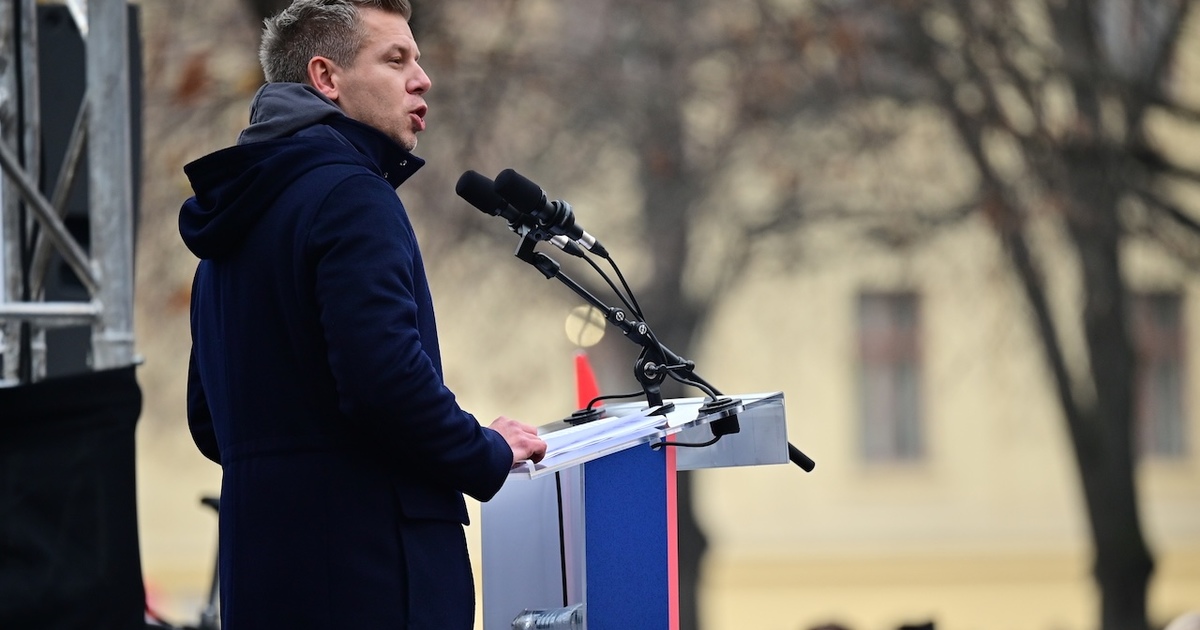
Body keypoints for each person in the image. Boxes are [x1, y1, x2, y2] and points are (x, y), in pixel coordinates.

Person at [178, 1, 547, 628]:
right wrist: (484, 449)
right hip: (371, 576)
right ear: (326, 77)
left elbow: (209, 420)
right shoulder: (352, 194)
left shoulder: (235, 217)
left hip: (260, 577)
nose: (422, 79)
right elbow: (385, 381)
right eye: (395, 59)